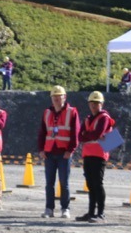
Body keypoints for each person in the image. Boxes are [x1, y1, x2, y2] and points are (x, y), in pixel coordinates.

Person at [36, 85, 81, 218]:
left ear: (64, 97)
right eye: (54, 96)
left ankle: (65, 208)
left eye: (59, 96)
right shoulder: (47, 113)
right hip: (49, 152)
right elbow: (42, 132)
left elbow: (75, 133)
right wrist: (41, 149)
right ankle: (49, 208)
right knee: (49, 183)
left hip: (63, 153)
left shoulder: (72, 112)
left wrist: (70, 150)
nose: (56, 98)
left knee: (64, 183)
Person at [76, 91, 115, 223]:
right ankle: (91, 212)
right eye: (92, 103)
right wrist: (89, 134)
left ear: (101, 104)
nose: (94, 106)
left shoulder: (104, 118)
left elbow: (96, 133)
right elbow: (80, 136)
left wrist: (88, 134)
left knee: (97, 184)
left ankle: (101, 213)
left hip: (99, 154)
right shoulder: (87, 119)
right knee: (90, 184)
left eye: (97, 103)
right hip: (88, 154)